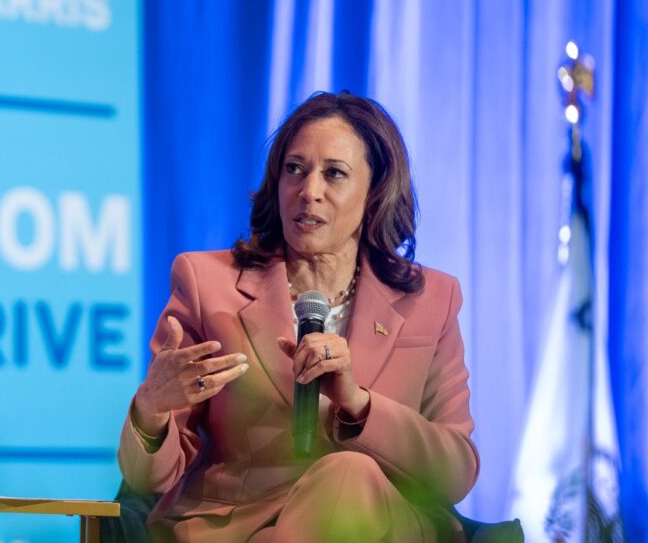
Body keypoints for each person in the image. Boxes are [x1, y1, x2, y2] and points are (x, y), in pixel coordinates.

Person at [118, 91, 478, 541]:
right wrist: (151, 411)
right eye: (295, 169)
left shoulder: (432, 299)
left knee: (348, 474)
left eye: (334, 174)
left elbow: (454, 473)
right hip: (242, 526)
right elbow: (149, 479)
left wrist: (358, 403)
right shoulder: (206, 283)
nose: (309, 192)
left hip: (382, 525)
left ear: (375, 192)